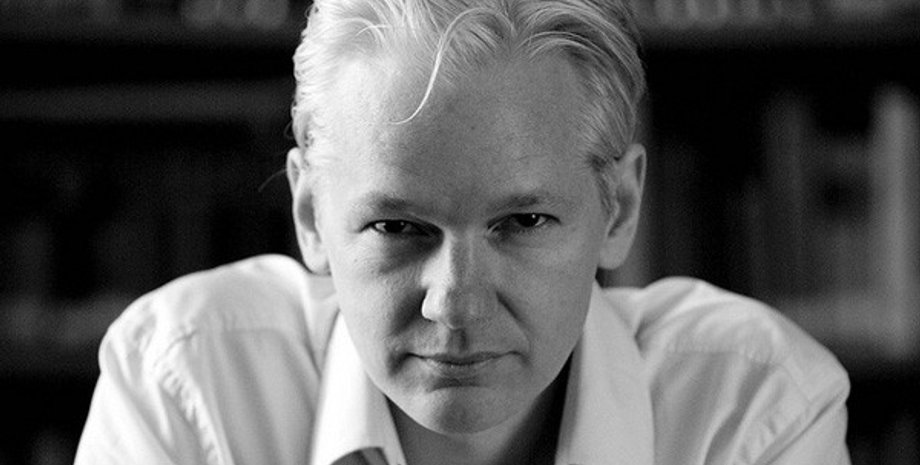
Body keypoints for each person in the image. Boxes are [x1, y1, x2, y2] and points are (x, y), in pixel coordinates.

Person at [74, 0, 852, 464]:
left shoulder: (753, 411)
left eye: (523, 221)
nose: (456, 303)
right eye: (397, 225)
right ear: (311, 215)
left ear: (617, 209)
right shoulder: (186, 387)